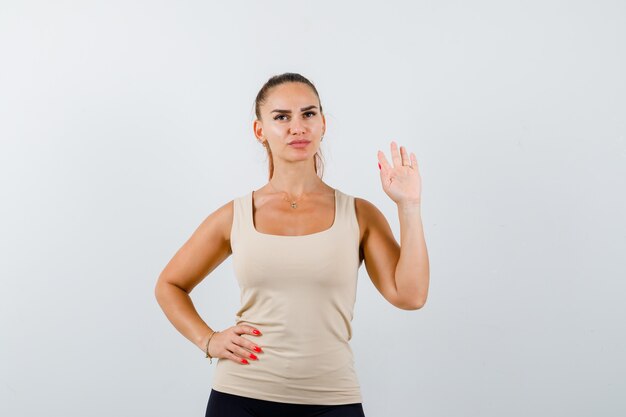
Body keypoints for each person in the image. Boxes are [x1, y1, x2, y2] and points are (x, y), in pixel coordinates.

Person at [154, 72, 430, 417]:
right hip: (240, 397)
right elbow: (169, 285)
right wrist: (208, 340)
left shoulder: (360, 214)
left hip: (332, 399)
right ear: (260, 131)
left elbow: (410, 295)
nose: (297, 127)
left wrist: (409, 205)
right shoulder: (236, 215)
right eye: (281, 117)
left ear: (323, 124)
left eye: (308, 114)